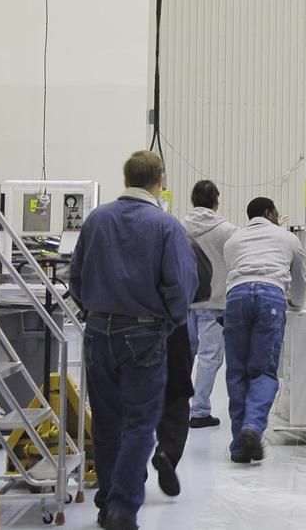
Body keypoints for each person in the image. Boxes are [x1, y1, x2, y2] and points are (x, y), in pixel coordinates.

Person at [70, 151, 197, 530]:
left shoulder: (97, 219)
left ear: (126, 178)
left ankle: (107, 502)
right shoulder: (165, 225)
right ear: (160, 181)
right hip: (144, 332)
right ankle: (122, 509)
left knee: (106, 423)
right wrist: (171, 322)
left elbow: (76, 276)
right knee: (140, 424)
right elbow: (180, 284)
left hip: (98, 331)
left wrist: (93, 311)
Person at [222, 197, 306, 463]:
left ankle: (239, 447)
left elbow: (232, 272)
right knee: (263, 372)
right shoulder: (288, 238)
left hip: (236, 298)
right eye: (277, 213)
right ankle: (252, 428)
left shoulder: (233, 240)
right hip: (270, 295)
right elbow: (299, 279)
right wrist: (296, 302)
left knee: (237, 372)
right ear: (269, 213)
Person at [151, 232, 212, 497]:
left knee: (129, 402)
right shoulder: (174, 234)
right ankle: (167, 451)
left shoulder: (104, 226)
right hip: (170, 325)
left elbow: (79, 277)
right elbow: (202, 280)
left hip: (120, 324)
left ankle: (131, 472)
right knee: (176, 396)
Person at [182, 180, 237, 429]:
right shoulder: (227, 231)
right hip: (215, 302)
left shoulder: (179, 226)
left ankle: (177, 408)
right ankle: (200, 411)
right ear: (217, 201)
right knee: (209, 358)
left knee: (185, 356)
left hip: (185, 301)